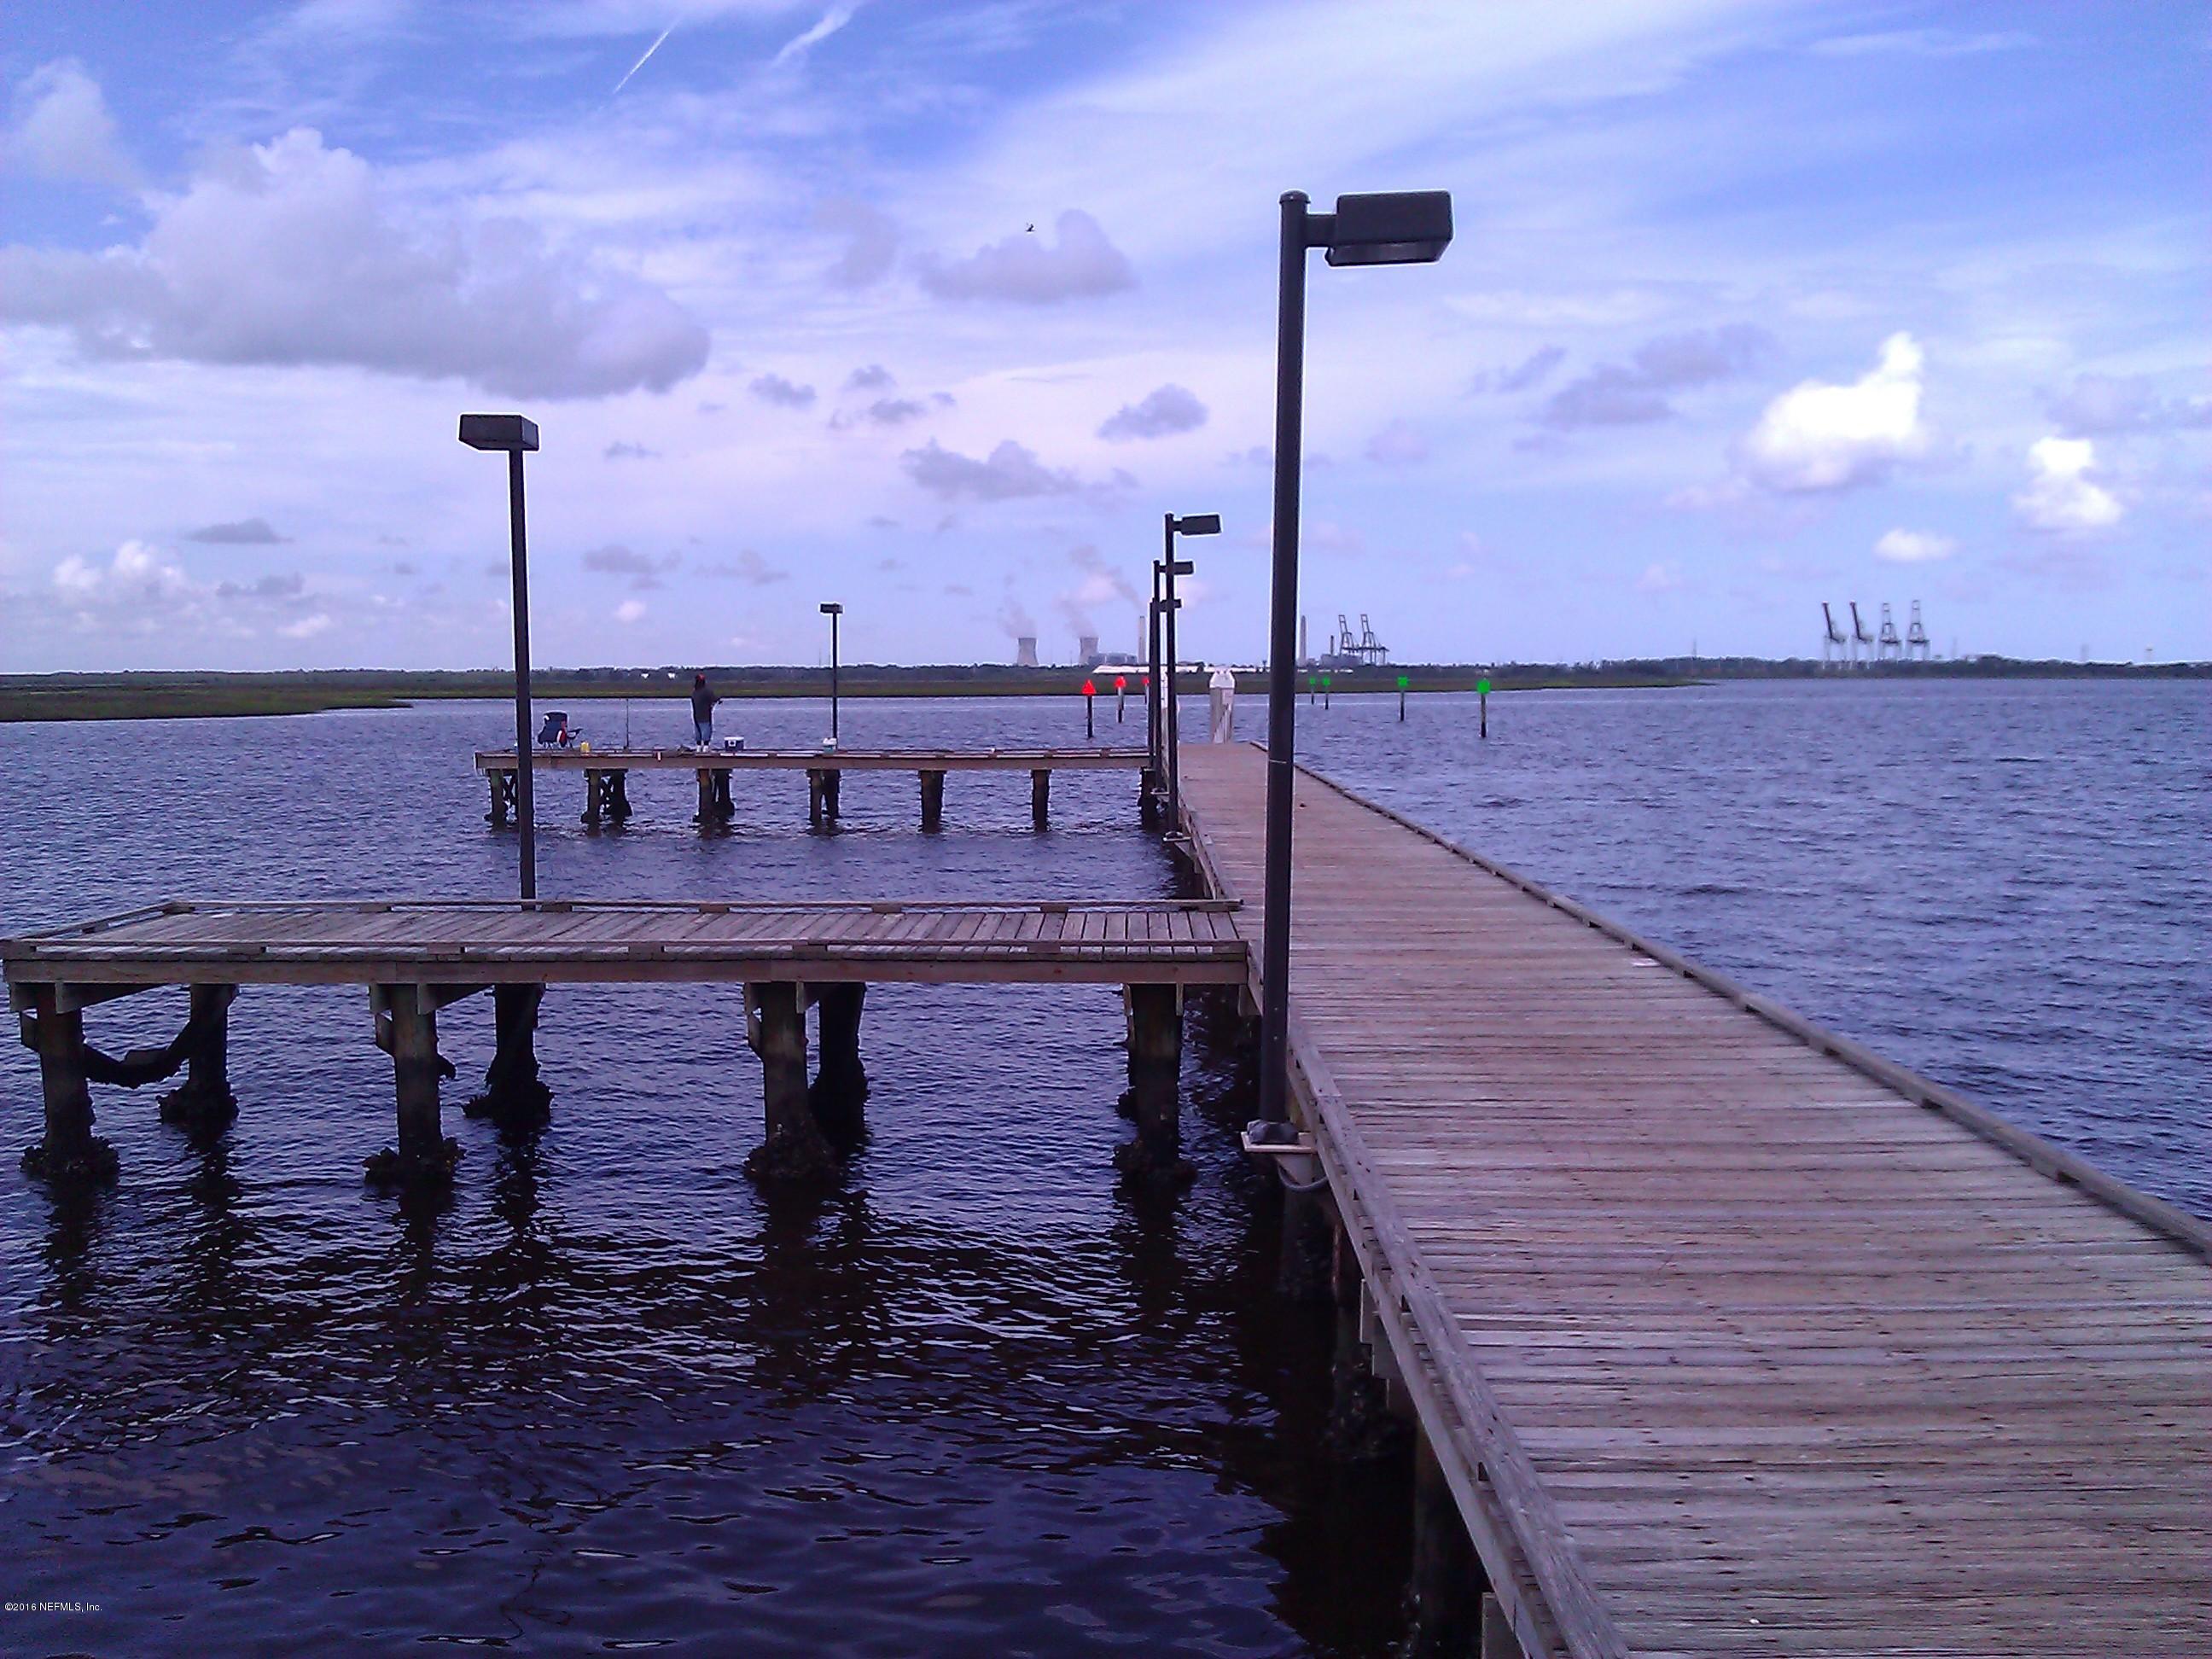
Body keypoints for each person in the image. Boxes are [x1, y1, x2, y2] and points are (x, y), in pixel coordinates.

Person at [690, 672, 718, 748]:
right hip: (706, 715)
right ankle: (705, 747)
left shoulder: (694, 692)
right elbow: (714, 699)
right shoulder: (707, 691)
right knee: (706, 730)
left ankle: (698, 747)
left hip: (696, 716)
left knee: (698, 731)